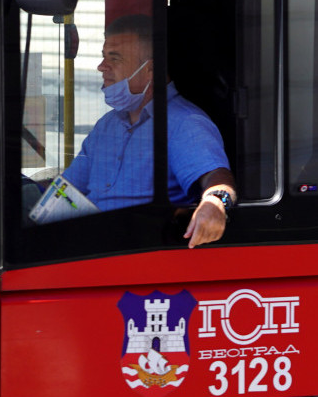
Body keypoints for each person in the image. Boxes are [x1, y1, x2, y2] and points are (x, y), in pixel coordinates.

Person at [61, 14, 234, 248]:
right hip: (85, 247)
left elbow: (218, 178)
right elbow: (67, 190)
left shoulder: (184, 123)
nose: (102, 67)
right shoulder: (107, 125)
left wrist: (215, 203)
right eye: (104, 57)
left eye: (115, 58)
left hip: (137, 251)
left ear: (150, 68)